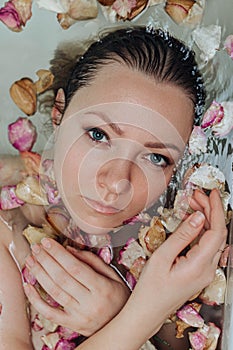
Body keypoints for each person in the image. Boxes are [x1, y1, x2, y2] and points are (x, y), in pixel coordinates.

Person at [0, 26, 227, 350]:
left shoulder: (171, 241)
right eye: (98, 135)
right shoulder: (5, 233)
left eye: (155, 157)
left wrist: (127, 315)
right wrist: (139, 315)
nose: (117, 181)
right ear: (58, 113)